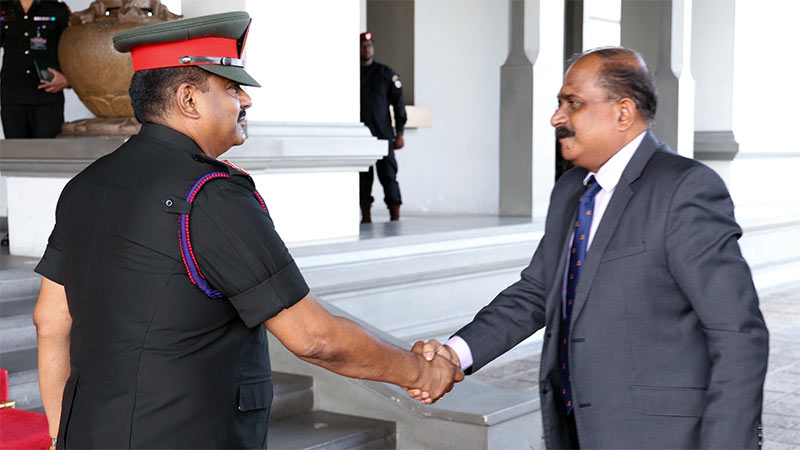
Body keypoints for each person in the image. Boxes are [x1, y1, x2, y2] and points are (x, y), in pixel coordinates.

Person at [32, 12, 461, 449]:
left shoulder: (85, 186)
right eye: (231, 87)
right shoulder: (210, 195)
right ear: (188, 99)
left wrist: (56, 435)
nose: (246, 101)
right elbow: (315, 338)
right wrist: (419, 371)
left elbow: (49, 321)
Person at [412, 47, 769, 449]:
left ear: (623, 112)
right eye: (559, 104)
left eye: (573, 104)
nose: (556, 118)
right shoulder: (570, 191)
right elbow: (535, 292)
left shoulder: (685, 189)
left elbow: (738, 335)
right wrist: (453, 355)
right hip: (576, 429)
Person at [0, 0, 71, 138]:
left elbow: (75, 48)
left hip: (47, 97)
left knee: (48, 154)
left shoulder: (56, 8)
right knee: (16, 155)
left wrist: (68, 80)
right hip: (12, 98)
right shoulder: (4, 7)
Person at [359, 30, 406, 223]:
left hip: (384, 135)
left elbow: (399, 103)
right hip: (360, 136)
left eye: (369, 45)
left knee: (388, 176)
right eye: (362, 45)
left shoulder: (385, 74)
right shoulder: (351, 74)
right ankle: (366, 217)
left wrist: (400, 132)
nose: (366, 48)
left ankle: (394, 216)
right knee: (363, 179)